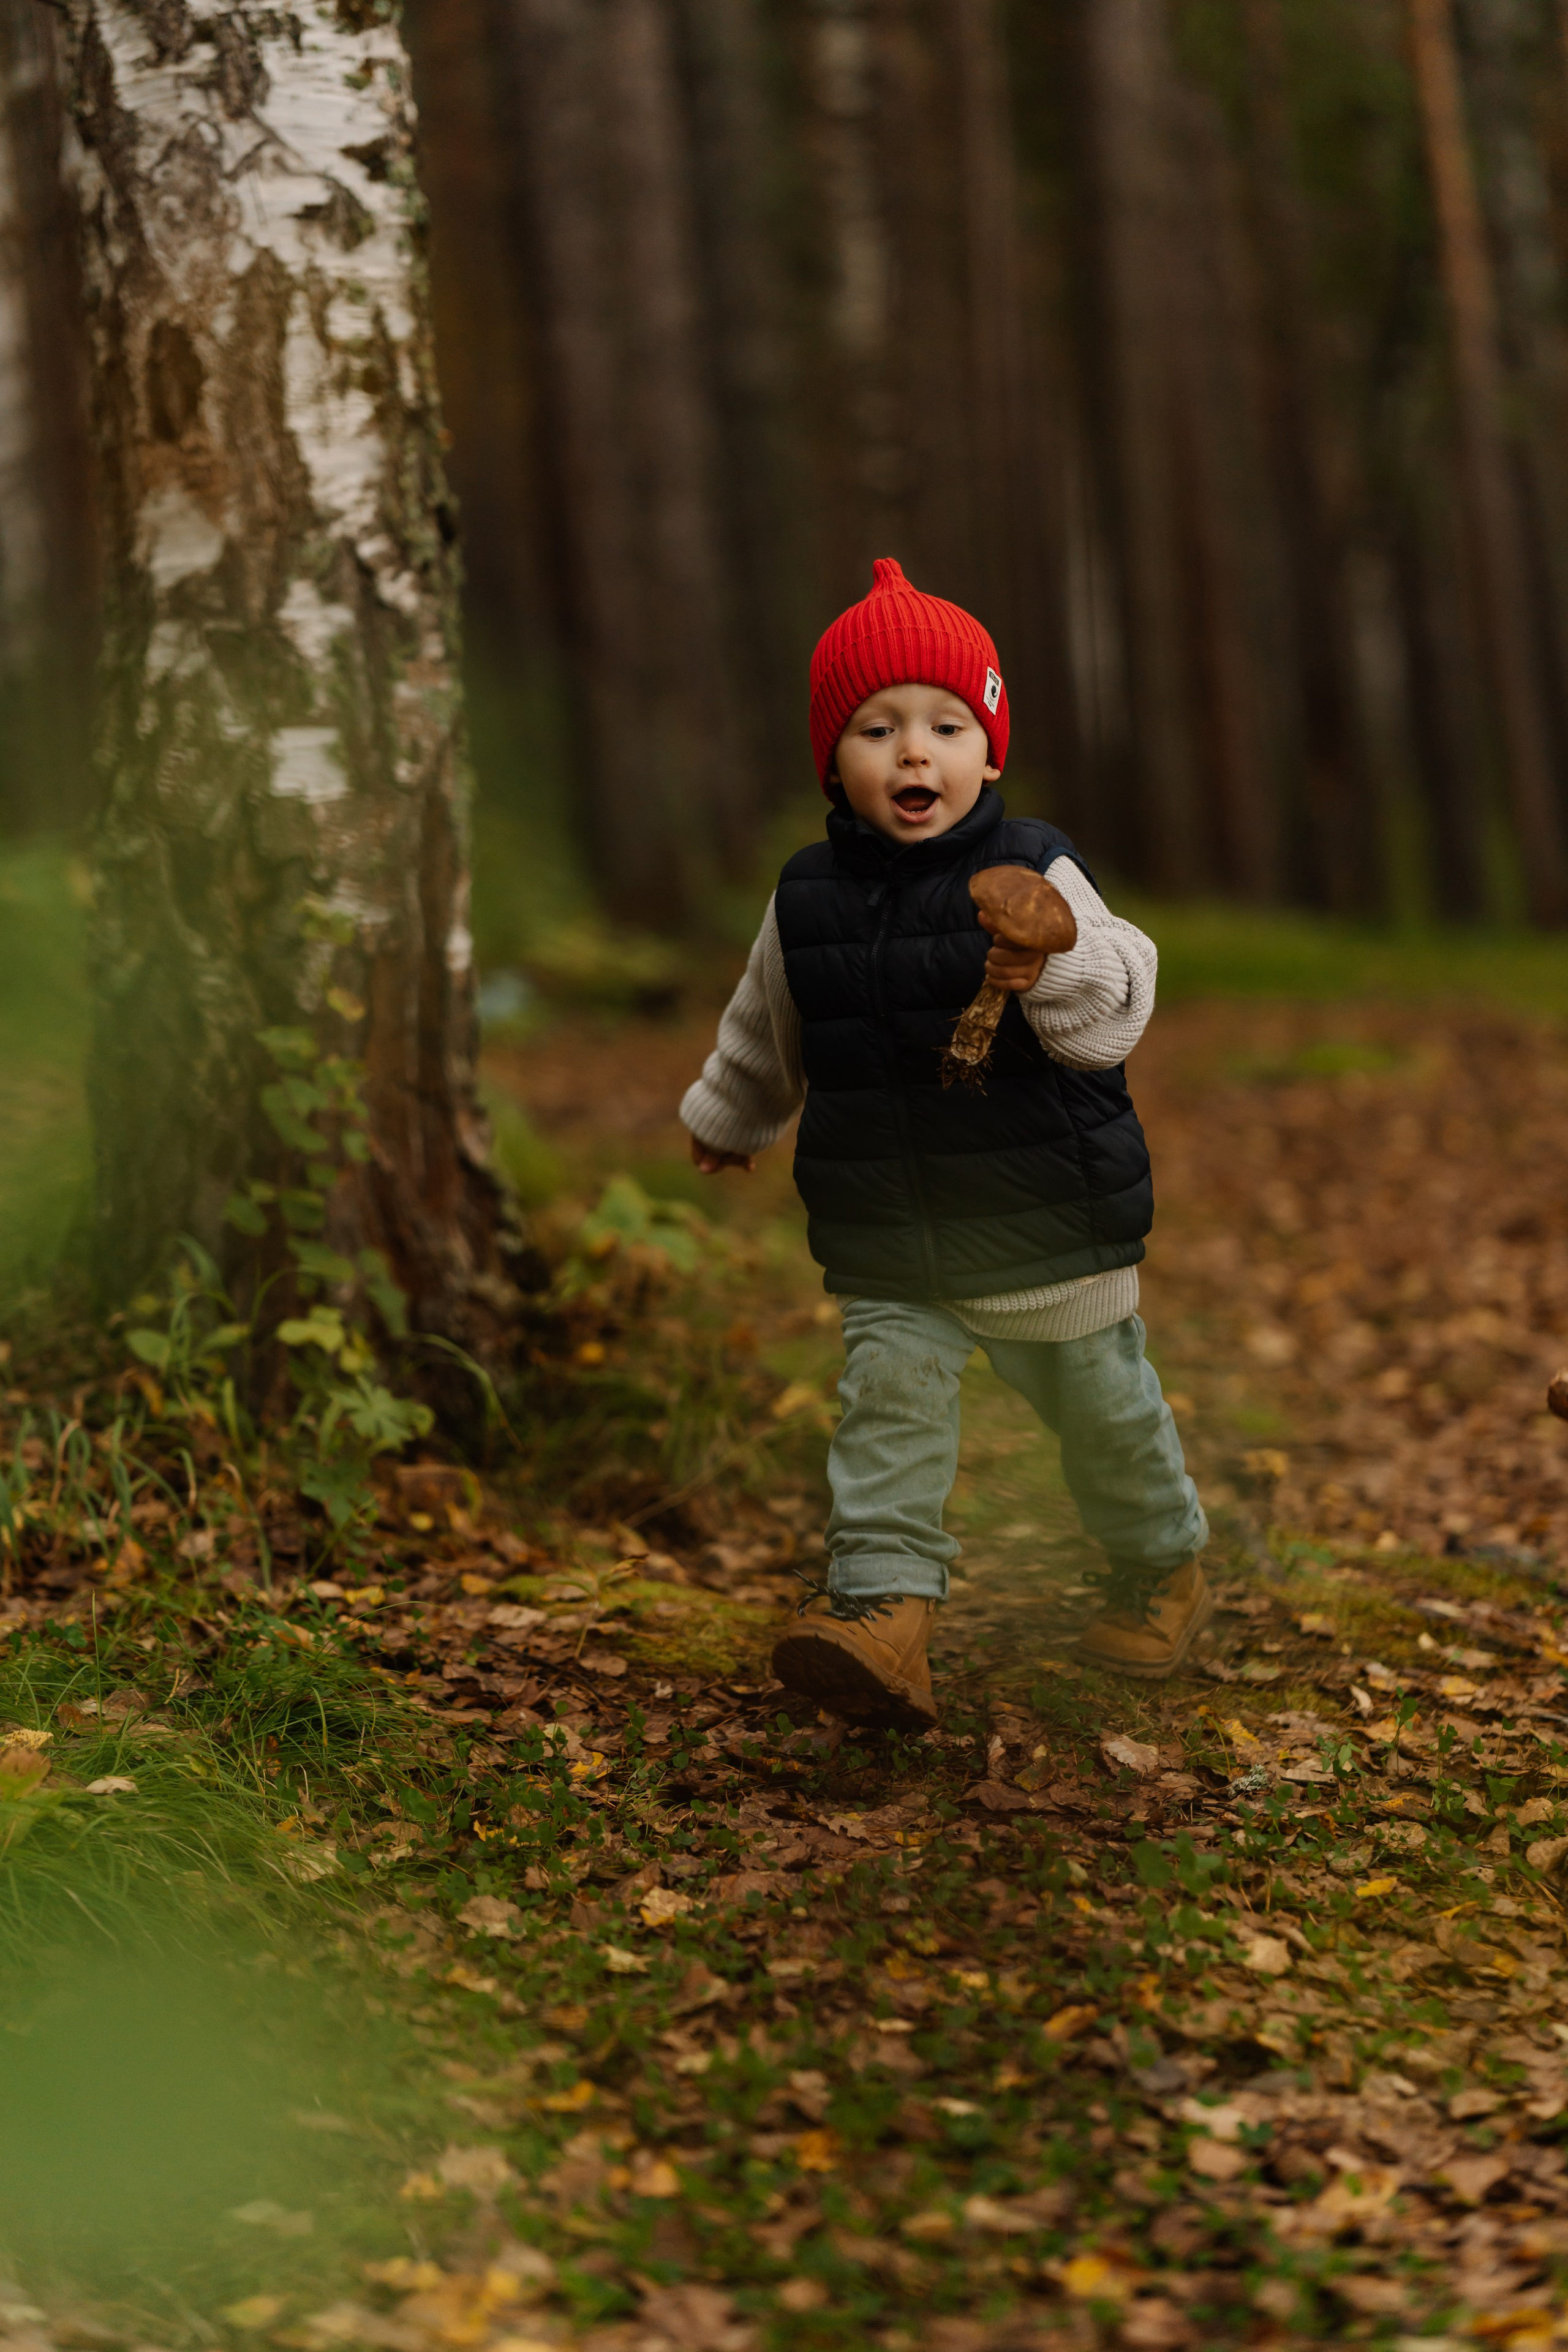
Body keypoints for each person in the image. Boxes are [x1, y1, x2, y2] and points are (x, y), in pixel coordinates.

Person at [679, 558, 1210, 1727]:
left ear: (991, 749)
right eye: (876, 729)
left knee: (1105, 1418)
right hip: (888, 1233)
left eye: (944, 724)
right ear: (834, 760)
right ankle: (882, 1612)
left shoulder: (1037, 864)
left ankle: (1161, 1559)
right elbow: (772, 1018)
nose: (913, 753)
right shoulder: (806, 892)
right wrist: (733, 1113)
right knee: (889, 1402)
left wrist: (1054, 954)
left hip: (1048, 1219)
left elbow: (1117, 1006)